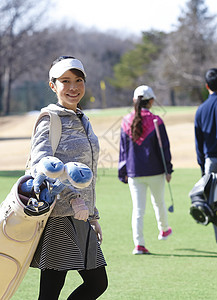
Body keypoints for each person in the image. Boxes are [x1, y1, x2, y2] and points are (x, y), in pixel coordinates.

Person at [29, 56, 108, 299]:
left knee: (94, 284)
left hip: (81, 216)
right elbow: (39, 168)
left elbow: (84, 173)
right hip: (59, 217)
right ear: (53, 85)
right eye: (65, 81)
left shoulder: (82, 118)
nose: (73, 87)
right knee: (55, 290)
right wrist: (73, 199)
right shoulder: (50, 119)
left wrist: (92, 216)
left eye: (78, 80)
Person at [118, 85, 173, 255]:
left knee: (138, 210)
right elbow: (164, 147)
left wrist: (122, 172)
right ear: (151, 101)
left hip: (134, 172)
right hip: (155, 170)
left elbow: (123, 150)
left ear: (135, 101)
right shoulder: (157, 120)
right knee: (159, 203)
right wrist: (168, 169)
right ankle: (164, 230)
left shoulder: (125, 121)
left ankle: (139, 245)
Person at [194, 68, 217, 242]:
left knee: (215, 205)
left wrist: (203, 168)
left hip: (212, 162)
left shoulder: (201, 110)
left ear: (206, 86)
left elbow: (198, 143)